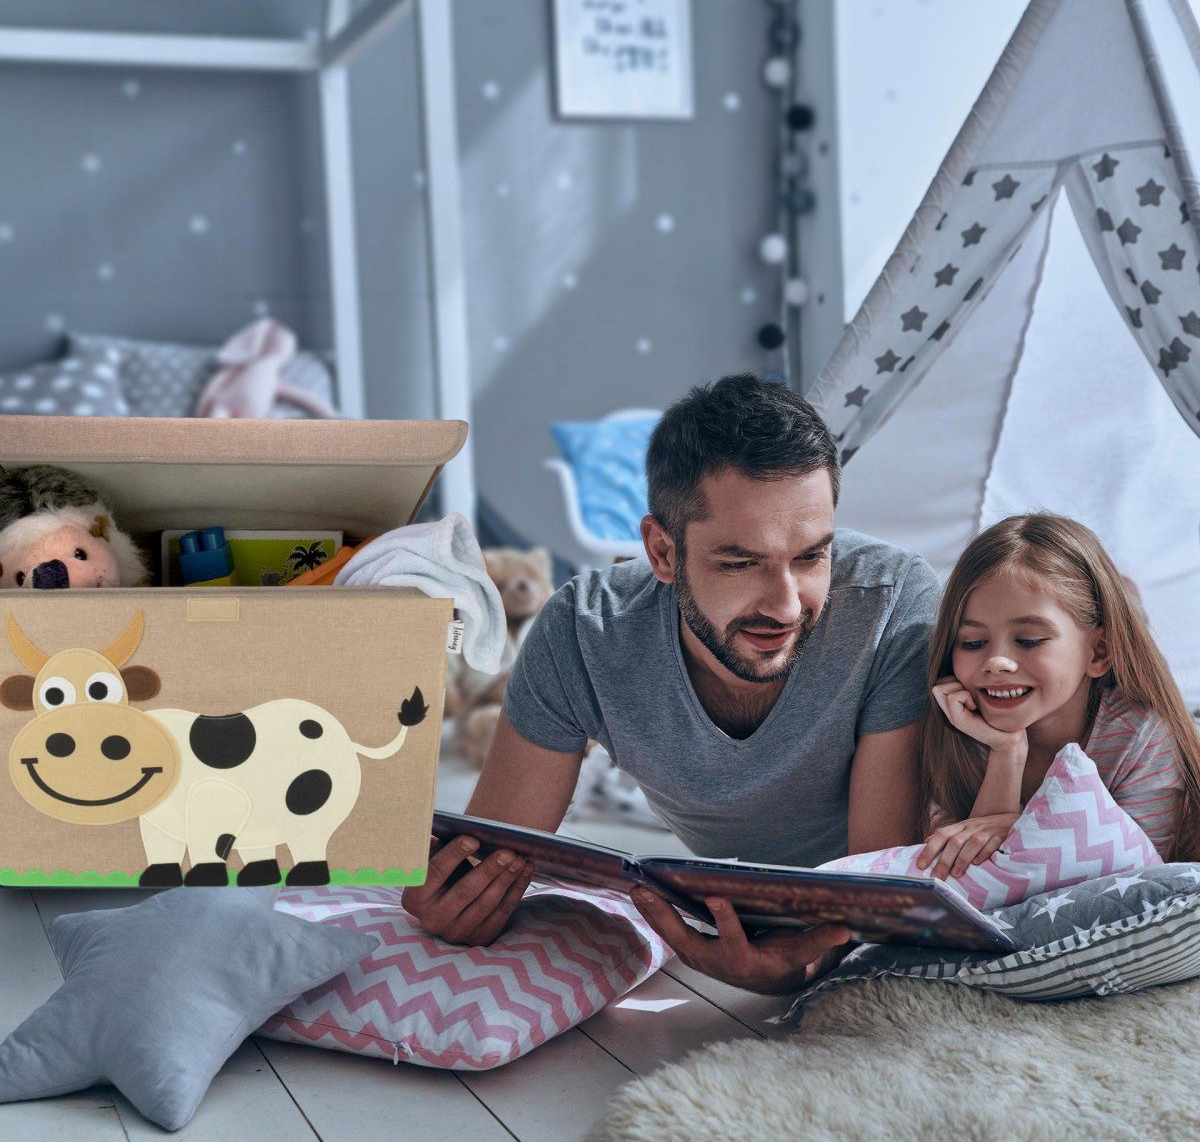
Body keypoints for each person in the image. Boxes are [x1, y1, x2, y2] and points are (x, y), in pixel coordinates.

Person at [404, 374, 939, 993]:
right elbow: (489, 857)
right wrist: (457, 903)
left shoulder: (893, 609)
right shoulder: (584, 633)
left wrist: (796, 970)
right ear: (662, 551)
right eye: (739, 563)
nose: (787, 605)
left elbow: (877, 904)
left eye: (812, 556)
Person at [916, 512, 1200, 880]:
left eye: (1029, 640)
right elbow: (967, 885)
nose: (996, 661)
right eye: (973, 642)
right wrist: (1006, 753)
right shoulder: (954, 733)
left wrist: (1022, 833)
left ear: (1098, 652)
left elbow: (1135, 888)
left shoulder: (1140, 738)